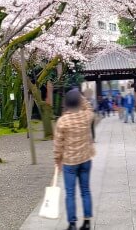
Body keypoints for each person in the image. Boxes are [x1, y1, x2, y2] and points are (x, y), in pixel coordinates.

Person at [54, 89, 95, 230]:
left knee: (70, 193)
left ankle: (72, 224)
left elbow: (58, 144)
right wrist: (81, 97)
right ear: (79, 102)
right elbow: (89, 107)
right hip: (85, 159)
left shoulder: (62, 121)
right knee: (85, 190)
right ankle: (87, 222)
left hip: (69, 162)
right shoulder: (86, 116)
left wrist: (57, 161)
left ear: (66, 103)